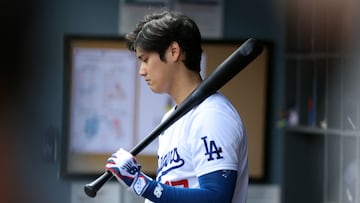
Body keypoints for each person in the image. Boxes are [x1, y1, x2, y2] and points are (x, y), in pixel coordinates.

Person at [105, 10, 248, 203]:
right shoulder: (172, 120)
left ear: (173, 51)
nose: (141, 71)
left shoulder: (211, 115)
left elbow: (216, 198)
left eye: (145, 59)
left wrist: (141, 184)